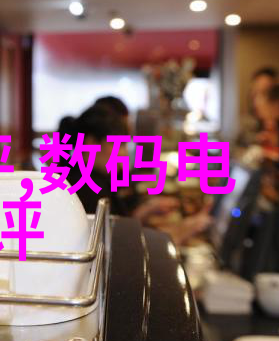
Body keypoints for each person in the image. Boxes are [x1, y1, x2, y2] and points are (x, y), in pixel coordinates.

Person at [59, 102, 212, 245]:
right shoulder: (84, 187)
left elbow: (120, 230)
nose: (124, 154)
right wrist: (180, 232)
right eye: (119, 145)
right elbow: (119, 246)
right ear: (91, 142)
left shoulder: (98, 179)